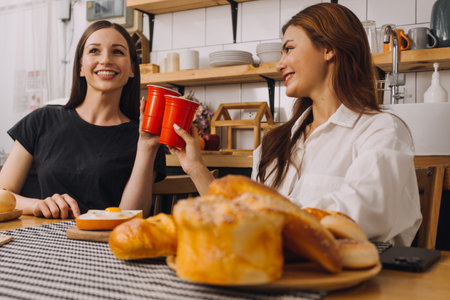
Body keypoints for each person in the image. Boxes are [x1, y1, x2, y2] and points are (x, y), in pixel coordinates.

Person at [170, 3, 421, 246]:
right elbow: (238, 217)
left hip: (362, 281)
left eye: (289, 49)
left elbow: (367, 213)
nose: (280, 64)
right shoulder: (275, 141)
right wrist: (195, 167)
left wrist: (264, 213)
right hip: (277, 272)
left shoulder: (380, 130)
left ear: (328, 49)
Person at [0, 20, 166, 219]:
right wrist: (37, 205)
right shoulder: (41, 120)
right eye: (94, 51)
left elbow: (130, 217)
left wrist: (147, 147)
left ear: (131, 69)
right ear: (80, 67)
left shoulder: (145, 137)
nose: (105, 59)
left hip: (103, 246)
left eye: (118, 52)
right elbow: (2, 195)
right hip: (37, 241)